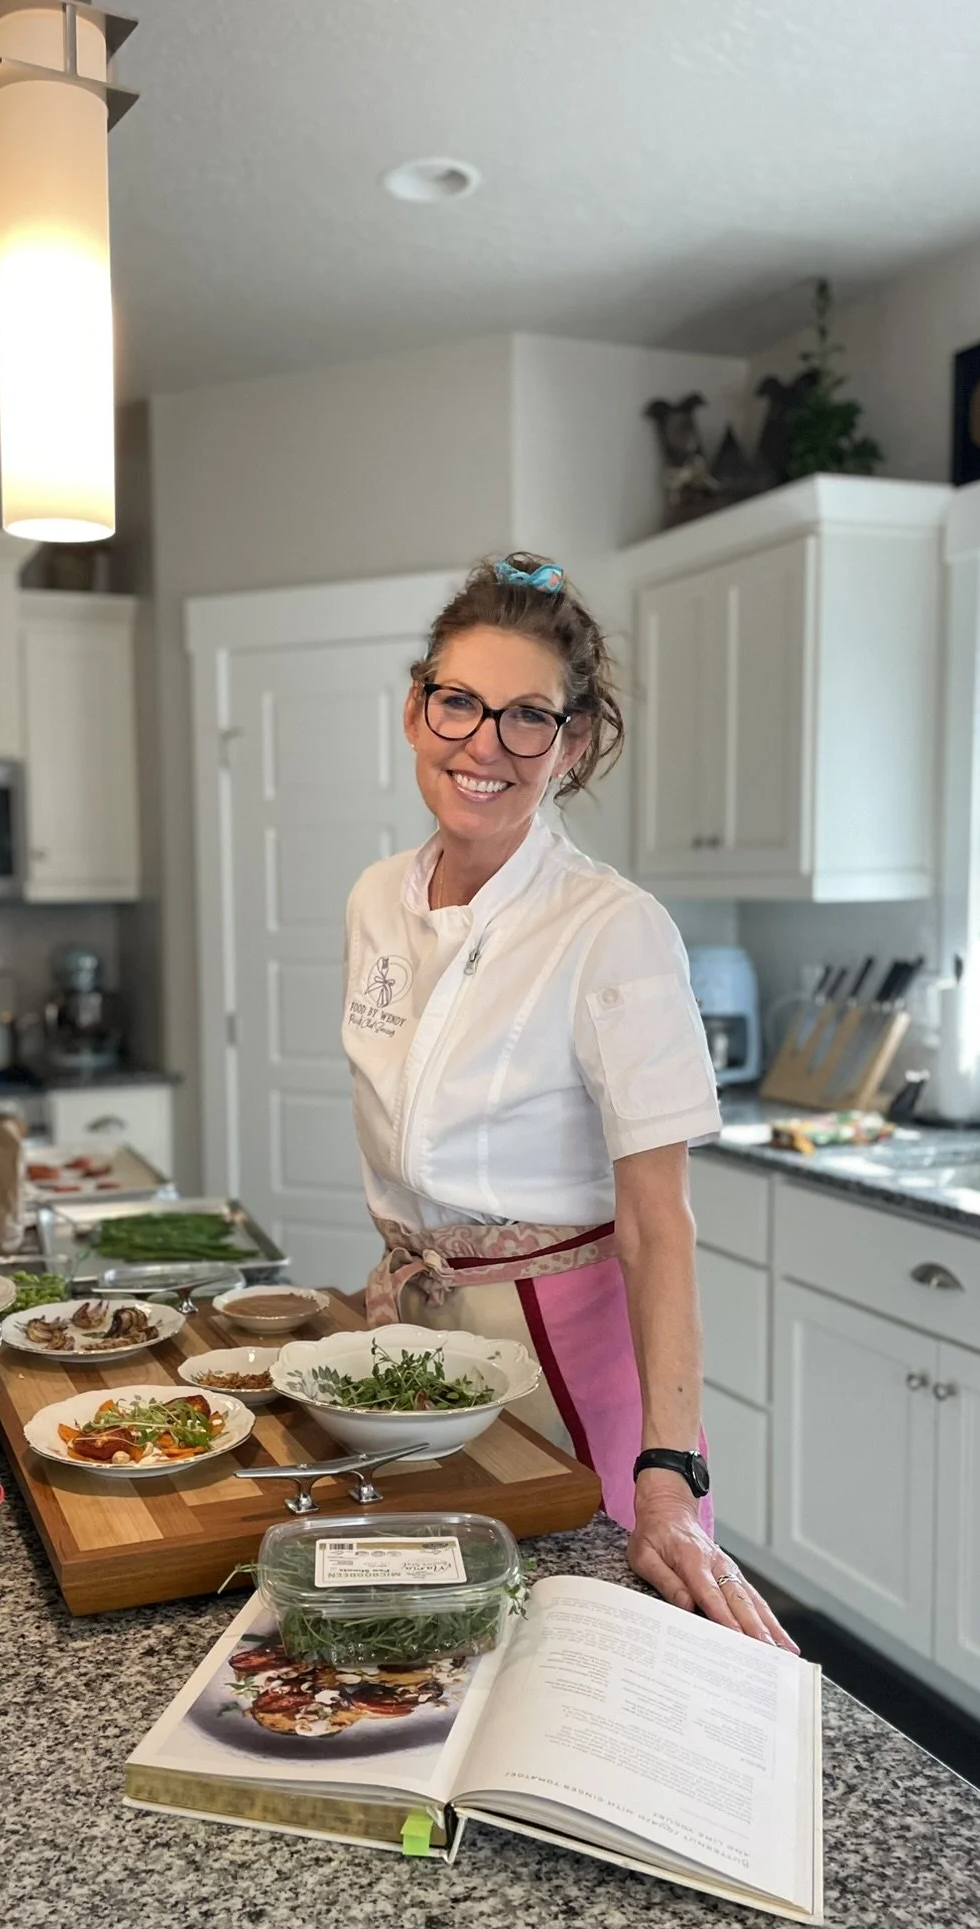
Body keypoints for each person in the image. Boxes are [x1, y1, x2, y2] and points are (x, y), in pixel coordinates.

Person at [342, 553, 796, 1652]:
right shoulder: (373, 899)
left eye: (528, 717)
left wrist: (667, 1471)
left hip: (571, 1370)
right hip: (421, 1345)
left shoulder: (612, 927)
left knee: (587, 1676)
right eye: (459, 702)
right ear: (416, 707)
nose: (482, 744)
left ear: (574, 743)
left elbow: (658, 1221)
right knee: (430, 1657)